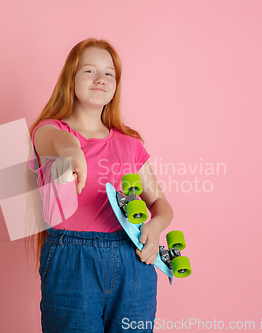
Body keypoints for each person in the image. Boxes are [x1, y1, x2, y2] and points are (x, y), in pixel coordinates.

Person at [26, 38, 174, 333]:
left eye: (109, 73)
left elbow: (162, 205)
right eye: (89, 71)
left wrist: (155, 228)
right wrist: (71, 153)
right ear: (71, 78)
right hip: (72, 260)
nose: (100, 79)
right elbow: (58, 142)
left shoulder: (130, 143)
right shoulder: (49, 131)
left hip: (133, 261)